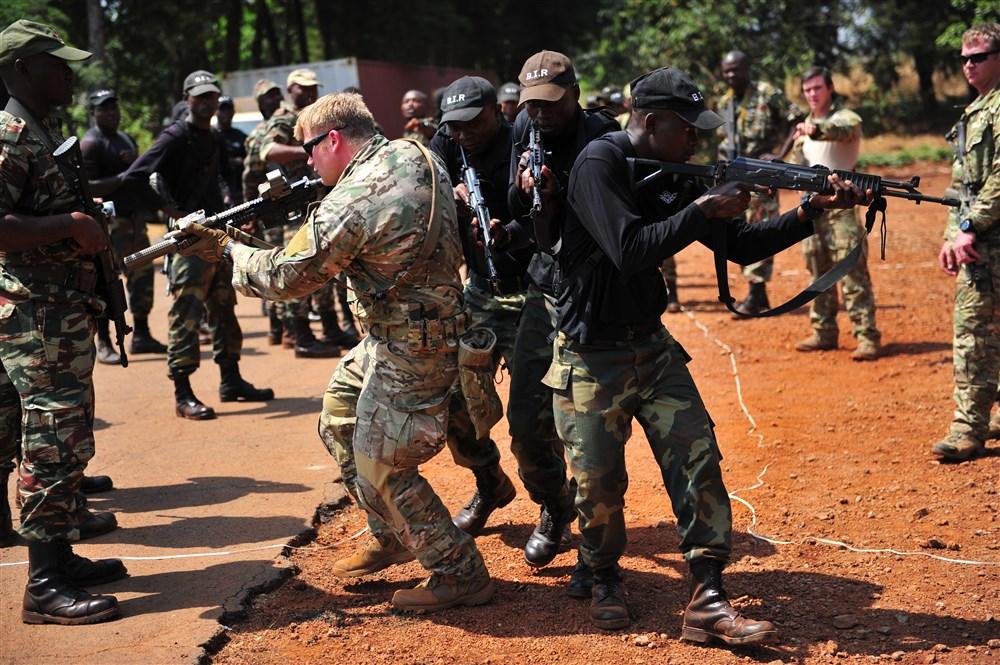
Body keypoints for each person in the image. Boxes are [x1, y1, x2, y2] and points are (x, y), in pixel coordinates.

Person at [548, 66, 870, 640]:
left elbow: (740, 245)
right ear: (649, 122)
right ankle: (601, 575)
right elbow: (628, 250)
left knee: (698, 461)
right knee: (596, 484)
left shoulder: (678, 171)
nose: (697, 138)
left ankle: (708, 593)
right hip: (589, 352)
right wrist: (702, 209)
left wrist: (809, 212)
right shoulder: (600, 163)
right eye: (687, 127)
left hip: (650, 345)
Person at [181, 92, 496, 612]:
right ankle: (390, 533)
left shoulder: (355, 196)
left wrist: (227, 247)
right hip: (409, 333)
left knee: (381, 464)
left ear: (333, 139)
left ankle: (460, 571)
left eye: (310, 150)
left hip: (411, 347)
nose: (307, 161)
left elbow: (289, 276)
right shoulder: (414, 151)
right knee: (338, 417)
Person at [0, 19, 128, 624]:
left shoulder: (41, 130)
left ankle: (61, 556)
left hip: (57, 311)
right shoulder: (9, 133)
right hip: (36, 317)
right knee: (52, 443)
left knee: (59, 439)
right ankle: (44, 586)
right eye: (57, 64)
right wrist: (72, 226)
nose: (69, 75)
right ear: (21, 68)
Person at [496, 50, 621, 567]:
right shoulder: (526, 126)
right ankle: (554, 505)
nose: (541, 113)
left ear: (575, 92)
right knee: (525, 423)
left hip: (594, 295)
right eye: (533, 104)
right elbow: (512, 204)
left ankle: (598, 548)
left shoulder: (603, 135)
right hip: (544, 289)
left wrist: (560, 190)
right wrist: (524, 193)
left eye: (551, 103)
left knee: (586, 425)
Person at [121, 69, 273, 420]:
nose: (208, 103)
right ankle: (183, 392)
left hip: (217, 233)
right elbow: (136, 177)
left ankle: (231, 380)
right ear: (187, 99)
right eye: (201, 97)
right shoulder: (175, 136)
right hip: (188, 240)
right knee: (186, 314)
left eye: (212, 97)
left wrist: (234, 207)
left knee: (224, 306)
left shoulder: (215, 137)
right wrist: (170, 209)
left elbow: (226, 177)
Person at [429, 76, 537, 534]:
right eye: (454, 126)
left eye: (472, 123)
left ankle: (553, 502)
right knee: (455, 402)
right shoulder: (447, 143)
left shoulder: (524, 141)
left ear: (498, 111)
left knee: (534, 416)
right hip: (479, 289)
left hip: (533, 292)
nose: (462, 134)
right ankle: (489, 481)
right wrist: (447, 196)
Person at [933, 23, 1000, 461]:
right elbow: (962, 185)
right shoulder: (975, 111)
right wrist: (950, 235)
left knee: (973, 333)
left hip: (988, 236)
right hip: (979, 239)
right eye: (963, 58)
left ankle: (967, 429)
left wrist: (970, 226)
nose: (968, 65)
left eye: (978, 56)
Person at [789, 66, 881, 361]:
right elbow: (797, 162)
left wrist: (815, 129)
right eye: (807, 90)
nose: (812, 94)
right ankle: (824, 331)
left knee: (852, 271)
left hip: (842, 203)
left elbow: (845, 130)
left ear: (830, 88)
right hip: (814, 204)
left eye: (817, 88)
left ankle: (866, 335)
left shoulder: (844, 118)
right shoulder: (804, 126)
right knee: (817, 268)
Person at [80, 88, 167, 362]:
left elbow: (138, 179)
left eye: (114, 107)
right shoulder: (90, 143)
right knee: (107, 282)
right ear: (93, 113)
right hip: (108, 224)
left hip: (134, 220)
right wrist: (122, 177)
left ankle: (141, 334)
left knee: (142, 278)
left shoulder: (125, 139)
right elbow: (86, 186)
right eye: (104, 108)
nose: (111, 113)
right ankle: (104, 341)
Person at [259, 68, 340, 358]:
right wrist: (309, 152)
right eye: (303, 88)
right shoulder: (284, 118)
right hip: (294, 203)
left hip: (318, 202)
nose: (310, 93)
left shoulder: (318, 116)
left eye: (313, 88)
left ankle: (329, 328)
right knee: (299, 265)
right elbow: (268, 151)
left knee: (322, 266)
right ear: (290, 89)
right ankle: (300, 334)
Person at [715, 51, 798, 316]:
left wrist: (780, 155)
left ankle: (757, 294)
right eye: (726, 70)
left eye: (736, 69)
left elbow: (796, 120)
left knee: (761, 228)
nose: (731, 75)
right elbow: (723, 141)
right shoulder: (724, 102)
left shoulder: (766, 93)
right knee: (738, 230)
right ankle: (756, 293)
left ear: (747, 69)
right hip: (734, 176)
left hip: (762, 174)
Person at [241, 79, 287, 345]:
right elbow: (250, 176)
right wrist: (250, 213)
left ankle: (291, 326)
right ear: (259, 103)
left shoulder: (290, 125)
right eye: (268, 97)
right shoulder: (258, 135)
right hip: (269, 212)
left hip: (294, 206)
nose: (274, 100)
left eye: (277, 95)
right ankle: (277, 327)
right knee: (272, 267)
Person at [216, 95, 247, 205]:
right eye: (222, 109)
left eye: (228, 108)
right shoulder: (211, 136)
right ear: (216, 111)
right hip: (218, 192)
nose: (226, 112)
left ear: (233, 111)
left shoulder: (241, 136)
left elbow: (249, 161)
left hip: (240, 191)